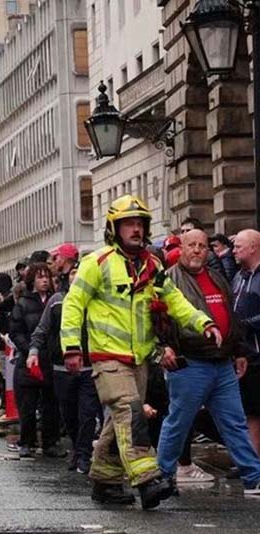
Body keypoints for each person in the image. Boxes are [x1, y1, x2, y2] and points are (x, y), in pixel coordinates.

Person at [61, 195, 220, 509]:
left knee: (118, 422)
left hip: (140, 360)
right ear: (114, 228)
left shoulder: (153, 264)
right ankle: (147, 479)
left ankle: (105, 482)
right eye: (128, 224)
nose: (135, 229)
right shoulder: (97, 262)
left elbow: (174, 300)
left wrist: (203, 322)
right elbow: (73, 304)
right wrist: (71, 348)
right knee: (131, 413)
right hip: (108, 358)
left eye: (139, 223)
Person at [155, 230, 260, 495]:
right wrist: (163, 347)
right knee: (179, 421)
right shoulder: (169, 279)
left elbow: (230, 316)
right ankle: (162, 476)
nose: (198, 250)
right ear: (182, 248)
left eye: (203, 246)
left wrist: (239, 351)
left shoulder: (216, 276)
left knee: (235, 421)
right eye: (192, 245)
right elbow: (157, 319)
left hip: (222, 361)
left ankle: (253, 476)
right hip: (190, 361)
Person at [28, 266, 99, 474]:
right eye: (72, 274)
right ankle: (78, 449)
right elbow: (42, 329)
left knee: (87, 413)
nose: (77, 277)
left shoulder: (95, 300)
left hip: (89, 367)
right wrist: (33, 351)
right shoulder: (57, 300)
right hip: (61, 368)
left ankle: (84, 455)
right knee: (69, 414)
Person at [11, 262, 62, 459]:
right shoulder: (23, 304)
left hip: (51, 360)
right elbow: (16, 332)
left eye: (47, 277)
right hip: (29, 361)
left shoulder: (56, 301)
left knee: (51, 404)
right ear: (32, 280)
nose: (44, 281)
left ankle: (51, 442)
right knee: (28, 405)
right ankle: (27, 441)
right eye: (40, 277)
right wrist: (29, 350)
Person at [232, 229, 260, 452]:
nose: (234, 250)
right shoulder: (238, 277)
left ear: (253, 247)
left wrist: (245, 323)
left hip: (258, 350)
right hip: (244, 353)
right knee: (249, 410)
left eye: (238, 246)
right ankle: (253, 459)